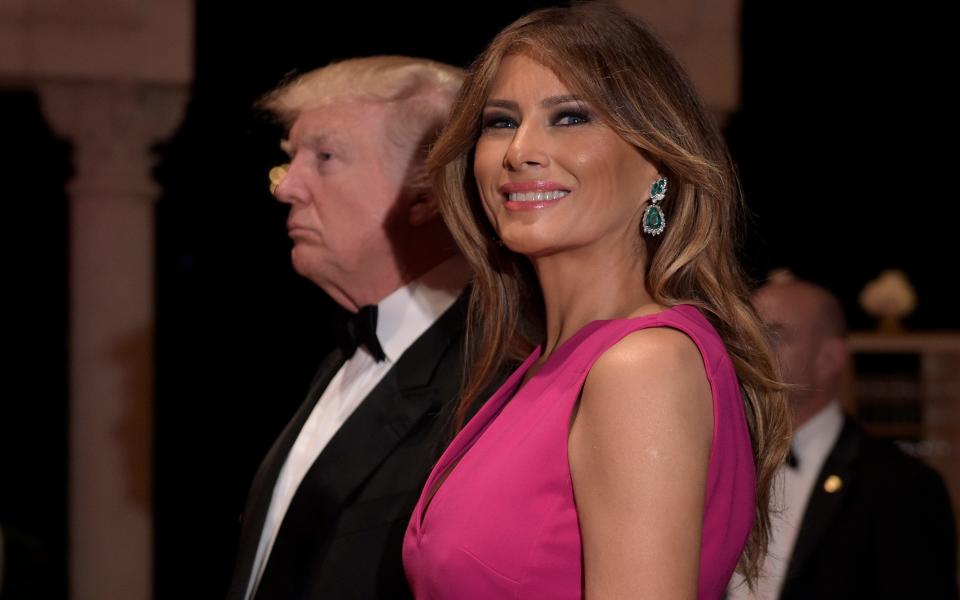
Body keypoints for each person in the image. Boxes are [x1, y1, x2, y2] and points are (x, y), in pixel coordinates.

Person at [401, 5, 791, 599]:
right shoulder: (540, 367)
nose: (519, 152)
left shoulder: (642, 367)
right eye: (501, 122)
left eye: (571, 117)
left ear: (657, 163)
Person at [224, 56, 471, 600]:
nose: (285, 187)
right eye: (290, 159)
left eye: (326, 157)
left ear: (427, 195)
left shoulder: (488, 376)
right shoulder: (347, 351)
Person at [728, 276, 958, 600]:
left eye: (774, 335)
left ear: (829, 359)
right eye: (746, 335)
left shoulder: (903, 486)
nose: (751, 350)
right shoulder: (719, 463)